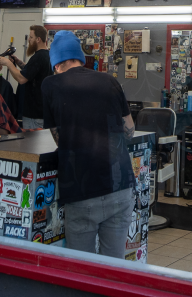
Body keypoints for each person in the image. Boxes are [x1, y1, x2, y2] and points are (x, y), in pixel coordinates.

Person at [42, 30, 135, 258]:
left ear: (56, 64)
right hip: (120, 186)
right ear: (80, 58)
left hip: (81, 189)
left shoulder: (50, 84)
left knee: (82, 268)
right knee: (114, 266)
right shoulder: (110, 80)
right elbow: (129, 129)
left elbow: (59, 137)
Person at [1, 24, 52, 129]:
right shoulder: (47, 55)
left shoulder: (38, 57)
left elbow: (22, 79)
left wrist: (8, 63)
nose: (29, 40)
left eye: (31, 37)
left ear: (38, 39)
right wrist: (19, 62)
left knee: (32, 140)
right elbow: (32, 72)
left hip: (34, 115)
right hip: (41, 111)